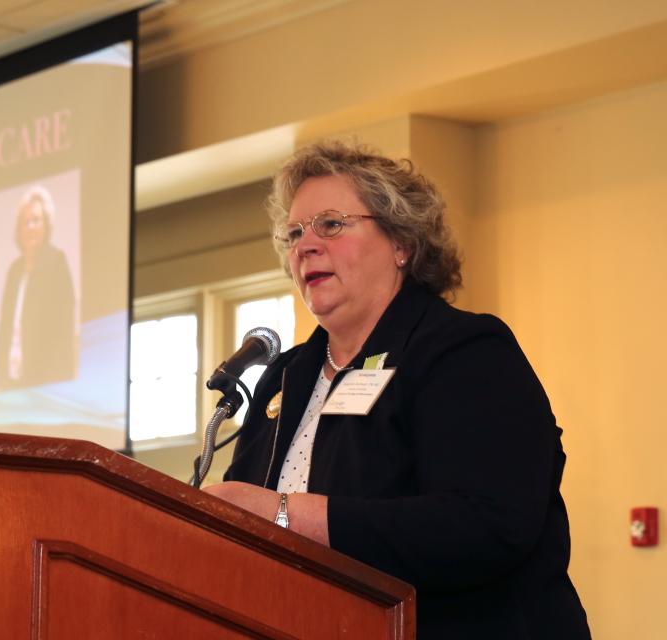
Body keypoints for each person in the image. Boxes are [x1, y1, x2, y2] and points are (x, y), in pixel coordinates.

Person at [203, 141, 591, 639]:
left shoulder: (463, 350)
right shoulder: (285, 376)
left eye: (331, 224)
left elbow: (487, 524)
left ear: (402, 244)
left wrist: (285, 515)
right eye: (295, 232)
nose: (305, 245)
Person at [0, 185, 76, 388]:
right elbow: (5, 329)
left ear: (46, 225)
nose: (30, 227)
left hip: (45, 384)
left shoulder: (57, 262)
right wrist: (1, 379)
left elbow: (63, 330)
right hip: (12, 383)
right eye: (25, 222)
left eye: (36, 220)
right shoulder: (14, 271)